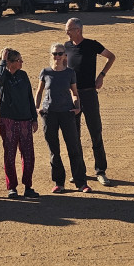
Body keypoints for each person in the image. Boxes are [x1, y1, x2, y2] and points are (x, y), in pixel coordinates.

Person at [64, 18, 115, 186]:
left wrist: (101, 75)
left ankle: (100, 171)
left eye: (69, 29)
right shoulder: (66, 47)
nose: (66, 32)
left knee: (95, 132)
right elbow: (62, 67)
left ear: (78, 30)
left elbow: (111, 57)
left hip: (89, 94)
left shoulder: (92, 45)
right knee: (74, 135)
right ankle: (79, 172)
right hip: (73, 96)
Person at [35, 43, 89, 193]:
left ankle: (81, 183)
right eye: (54, 54)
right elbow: (39, 92)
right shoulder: (45, 72)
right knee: (54, 150)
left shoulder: (70, 73)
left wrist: (77, 107)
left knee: (74, 147)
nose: (57, 56)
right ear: (51, 55)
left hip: (67, 113)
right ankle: (59, 183)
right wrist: (37, 108)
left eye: (60, 53)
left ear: (65, 55)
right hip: (49, 114)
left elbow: (74, 92)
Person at [0, 48, 40, 199]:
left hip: (25, 120)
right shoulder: (3, 76)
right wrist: (3, 61)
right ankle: (12, 187)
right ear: (10, 63)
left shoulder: (23, 75)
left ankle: (28, 186)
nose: (22, 62)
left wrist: (34, 118)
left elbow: (29, 97)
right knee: (9, 155)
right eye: (19, 60)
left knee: (28, 155)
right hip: (8, 120)